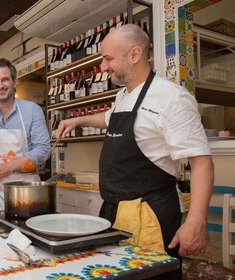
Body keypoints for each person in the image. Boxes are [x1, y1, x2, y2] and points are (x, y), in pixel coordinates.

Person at [57, 24, 213, 265]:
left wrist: (195, 222)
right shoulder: (123, 95)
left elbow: (201, 161)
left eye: (108, 58)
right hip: (115, 211)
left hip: (149, 214)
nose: (103, 67)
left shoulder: (172, 98)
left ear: (134, 54)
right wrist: (77, 119)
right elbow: (108, 119)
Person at [0, 58, 51, 225]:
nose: (0, 85)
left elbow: (43, 148)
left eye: (5, 79)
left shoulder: (32, 110)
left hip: (27, 189)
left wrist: (8, 167)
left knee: (27, 239)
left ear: (15, 81)